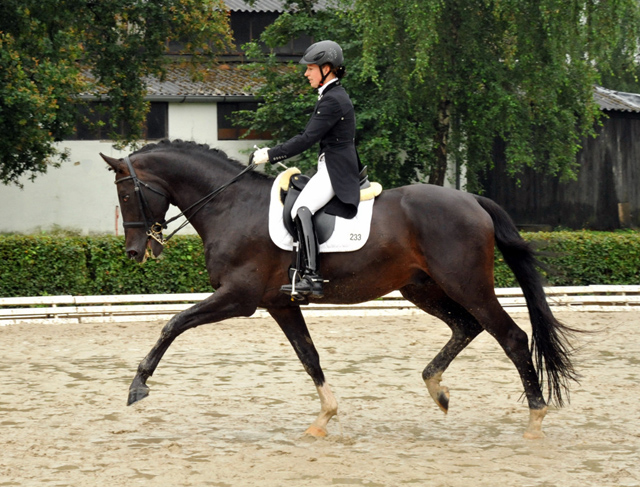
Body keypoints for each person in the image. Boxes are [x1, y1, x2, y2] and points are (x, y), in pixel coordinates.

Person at [253, 40, 361, 298]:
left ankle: (312, 276)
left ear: (327, 68)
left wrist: (270, 154)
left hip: (337, 170)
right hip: (332, 165)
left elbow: (306, 139)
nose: (306, 73)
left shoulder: (333, 100)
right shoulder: (331, 95)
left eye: (310, 68)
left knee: (302, 209)